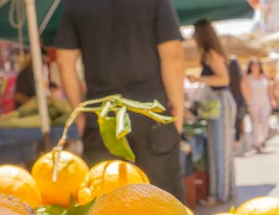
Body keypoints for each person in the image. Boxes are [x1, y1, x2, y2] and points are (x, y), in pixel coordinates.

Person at [54, 0, 186, 202]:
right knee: (164, 206)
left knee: (105, 205)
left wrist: (80, 112)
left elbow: (64, 61)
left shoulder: (75, 3)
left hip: (102, 117)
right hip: (152, 115)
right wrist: (178, 110)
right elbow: (173, 55)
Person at [187, 19, 237, 206]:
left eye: (194, 34)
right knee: (219, 149)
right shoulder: (211, 53)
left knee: (220, 149)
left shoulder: (211, 53)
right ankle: (222, 192)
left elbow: (223, 78)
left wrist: (200, 78)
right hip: (217, 104)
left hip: (220, 102)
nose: (193, 38)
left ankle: (219, 195)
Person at [245, 58, 274, 154]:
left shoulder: (265, 77)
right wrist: (248, 104)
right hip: (254, 102)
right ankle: (256, 143)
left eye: (257, 65)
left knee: (265, 121)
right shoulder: (248, 78)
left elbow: (270, 89)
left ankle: (262, 140)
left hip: (265, 101)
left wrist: (272, 99)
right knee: (255, 123)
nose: (255, 67)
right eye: (253, 65)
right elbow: (247, 92)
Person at [228, 57, 249, 148]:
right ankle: (239, 140)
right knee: (239, 121)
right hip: (239, 101)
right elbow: (244, 89)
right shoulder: (240, 76)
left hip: (230, 100)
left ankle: (233, 141)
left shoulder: (227, 76)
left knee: (231, 122)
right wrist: (247, 102)